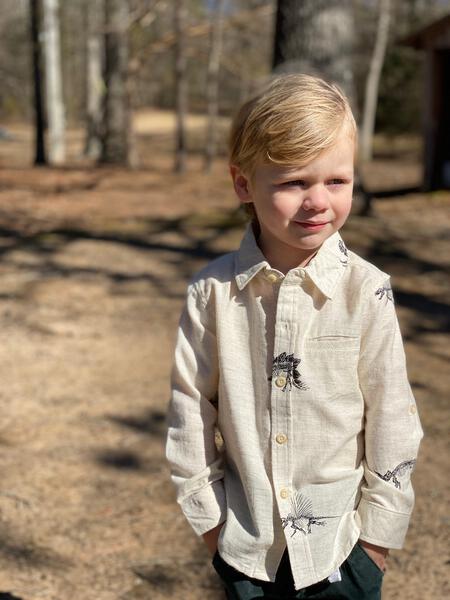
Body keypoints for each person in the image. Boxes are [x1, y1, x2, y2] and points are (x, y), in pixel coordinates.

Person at [165, 74, 423, 599]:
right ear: (243, 184)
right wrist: (214, 527)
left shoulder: (368, 291)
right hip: (246, 545)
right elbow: (190, 413)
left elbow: (393, 416)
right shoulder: (211, 293)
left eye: (337, 181)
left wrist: (375, 545)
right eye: (293, 183)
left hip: (342, 548)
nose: (317, 202)